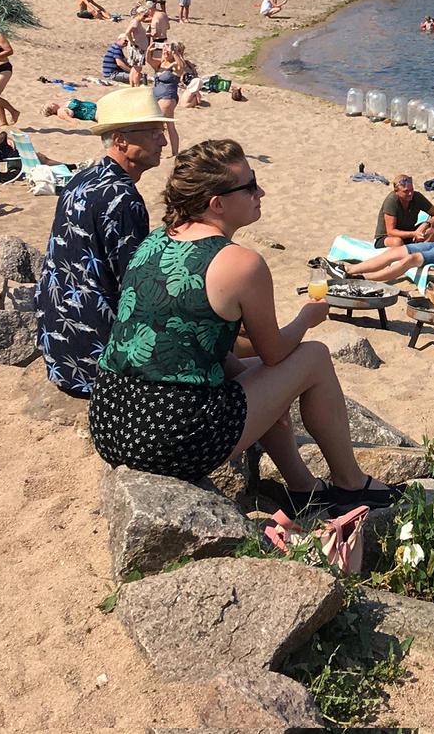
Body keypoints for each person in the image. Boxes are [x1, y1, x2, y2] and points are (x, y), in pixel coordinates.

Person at [87, 138, 403, 512]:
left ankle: (304, 488)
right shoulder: (240, 263)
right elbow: (274, 354)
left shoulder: (156, 240)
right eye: (250, 186)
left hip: (111, 419)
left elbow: (190, 341)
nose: (260, 192)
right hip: (171, 438)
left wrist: (261, 388)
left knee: (255, 378)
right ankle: (350, 484)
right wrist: (306, 318)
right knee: (314, 357)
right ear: (216, 204)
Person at [34, 88, 176, 398]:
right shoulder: (123, 199)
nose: (163, 142)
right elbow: (134, 289)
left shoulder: (82, 178)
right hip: (96, 361)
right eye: (154, 133)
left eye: (162, 132)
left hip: (58, 345)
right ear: (121, 141)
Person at [335, 176, 434, 299]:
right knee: (396, 252)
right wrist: (426, 226)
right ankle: (349, 269)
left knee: (410, 259)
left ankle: (362, 278)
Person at [374, 173, 434, 249]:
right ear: (396, 191)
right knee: (397, 242)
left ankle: (425, 251)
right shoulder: (392, 201)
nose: (410, 193)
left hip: (409, 234)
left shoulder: (416, 197)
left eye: (411, 190)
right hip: (387, 237)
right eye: (405, 191)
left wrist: (426, 224)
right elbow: (391, 232)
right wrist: (414, 234)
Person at [150, 43, 184, 119]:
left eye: (168, 51)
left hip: (167, 97)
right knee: (168, 123)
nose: (165, 52)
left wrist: (174, 53)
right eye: (164, 50)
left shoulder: (176, 65)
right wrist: (149, 51)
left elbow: (181, 67)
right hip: (158, 95)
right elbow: (149, 60)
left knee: (160, 122)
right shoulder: (162, 63)